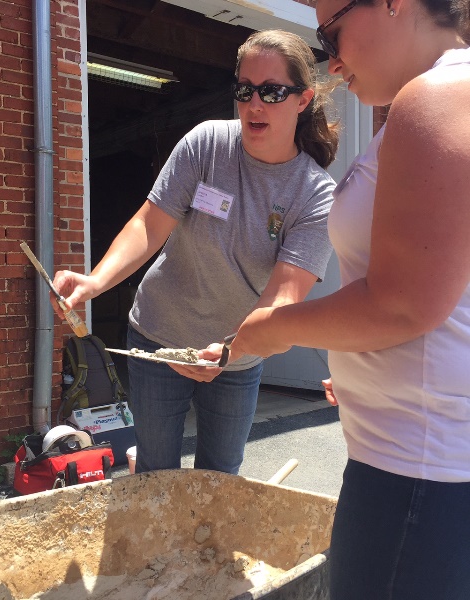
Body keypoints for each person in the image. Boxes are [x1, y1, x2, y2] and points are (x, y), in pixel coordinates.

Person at [227, 2, 470, 599]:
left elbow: (402, 306)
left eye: (330, 31)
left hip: (415, 470)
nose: (331, 60)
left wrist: (273, 329)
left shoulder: (435, 98)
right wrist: (359, 367)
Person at [51, 29, 339, 476]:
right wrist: (96, 281)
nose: (254, 104)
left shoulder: (315, 193)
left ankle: (205, 549)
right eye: (244, 89)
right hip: (159, 335)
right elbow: (149, 223)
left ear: (303, 100)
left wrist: (230, 351)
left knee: (219, 475)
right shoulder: (206, 143)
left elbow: (283, 299)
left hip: (239, 355)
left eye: (272, 91)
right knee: (155, 472)